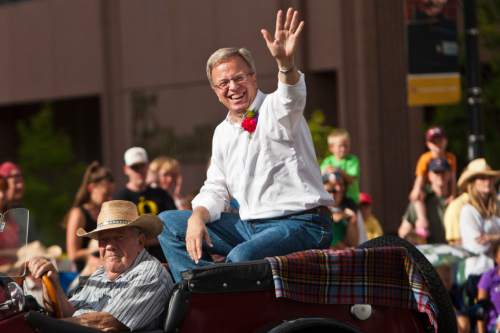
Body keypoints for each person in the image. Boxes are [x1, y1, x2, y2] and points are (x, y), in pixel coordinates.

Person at [158, 8, 333, 282]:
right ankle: (201, 291)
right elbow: (216, 188)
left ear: (253, 77)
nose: (233, 87)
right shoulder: (222, 132)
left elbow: (292, 95)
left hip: (303, 223)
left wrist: (286, 64)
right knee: (168, 223)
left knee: (241, 258)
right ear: (216, 92)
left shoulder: (276, 108)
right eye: (223, 83)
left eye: (239, 77)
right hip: (249, 226)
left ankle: (213, 291)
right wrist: (197, 217)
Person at [27, 200, 173, 332]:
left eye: (119, 237)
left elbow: (108, 322)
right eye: (103, 240)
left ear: (140, 242)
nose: (109, 246)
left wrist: (48, 326)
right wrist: (54, 284)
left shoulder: (149, 272)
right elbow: (70, 312)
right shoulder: (101, 273)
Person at [113, 146, 176, 261]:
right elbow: (117, 232)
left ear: (147, 167)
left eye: (142, 166)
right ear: (126, 169)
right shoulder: (119, 198)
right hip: (132, 258)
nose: (139, 171)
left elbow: (173, 224)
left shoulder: (161, 194)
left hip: (164, 256)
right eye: (134, 167)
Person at [63, 161, 114, 272]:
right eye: (106, 194)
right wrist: (96, 248)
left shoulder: (106, 210)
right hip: (84, 272)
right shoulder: (78, 214)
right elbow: (72, 254)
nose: (109, 199)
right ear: (91, 188)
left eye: (111, 194)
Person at [409, 127, 457, 240]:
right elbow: (419, 179)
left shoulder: (450, 158)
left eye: (439, 140)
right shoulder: (425, 158)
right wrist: (417, 191)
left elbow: (453, 179)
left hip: (445, 189)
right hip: (428, 188)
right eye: (433, 142)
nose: (437, 144)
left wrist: (453, 195)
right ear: (428, 144)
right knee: (417, 197)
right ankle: (422, 223)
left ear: (445, 141)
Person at [459, 158, 500, 279]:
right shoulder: (468, 211)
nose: (487, 181)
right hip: (478, 273)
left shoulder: (497, 206)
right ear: (473, 182)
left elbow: (485, 242)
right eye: (482, 178)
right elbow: (478, 246)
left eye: (489, 177)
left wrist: (490, 238)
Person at [399, 157, 451, 244]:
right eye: (436, 172)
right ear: (429, 175)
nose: (440, 176)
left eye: (443, 172)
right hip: (428, 252)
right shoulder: (420, 200)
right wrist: (416, 233)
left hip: (453, 251)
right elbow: (403, 231)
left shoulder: (457, 199)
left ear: (449, 174)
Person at [320, 128, 361, 204]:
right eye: (340, 146)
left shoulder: (352, 160)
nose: (343, 149)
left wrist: (339, 171)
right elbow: (321, 175)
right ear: (331, 148)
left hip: (349, 197)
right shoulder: (328, 161)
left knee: (351, 214)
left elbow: (351, 180)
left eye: (346, 146)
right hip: (334, 197)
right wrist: (327, 170)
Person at [323, 171, 358, 249]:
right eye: (330, 190)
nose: (338, 189)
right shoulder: (317, 206)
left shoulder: (350, 205)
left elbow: (354, 242)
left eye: (341, 184)